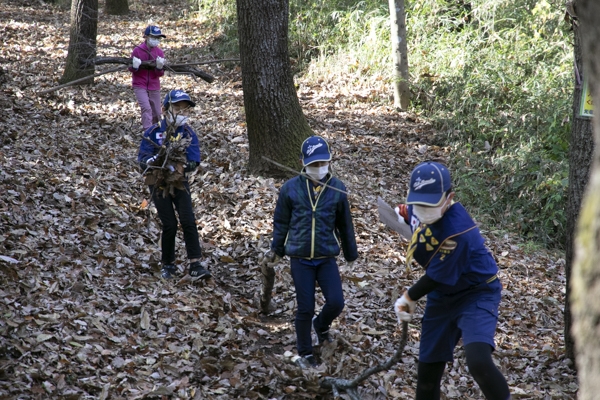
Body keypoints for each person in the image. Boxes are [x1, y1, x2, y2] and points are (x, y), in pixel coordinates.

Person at [393, 161, 511, 400]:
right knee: (427, 375)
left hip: (476, 293)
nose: (424, 209)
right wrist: (403, 213)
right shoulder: (419, 208)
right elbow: (412, 215)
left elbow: (437, 275)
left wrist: (408, 297)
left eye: (431, 203)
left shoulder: (459, 231)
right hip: (442, 297)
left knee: (478, 361)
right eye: (419, 203)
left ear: (449, 198)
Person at [263, 136, 358, 369]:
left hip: (326, 257)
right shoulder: (290, 189)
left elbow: (345, 224)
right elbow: (281, 223)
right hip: (301, 259)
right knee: (305, 307)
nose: (319, 168)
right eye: (314, 164)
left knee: (336, 302)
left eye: (323, 163)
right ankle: (305, 353)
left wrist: (350, 254)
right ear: (302, 162)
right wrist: (276, 250)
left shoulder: (337, 189)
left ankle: (322, 325)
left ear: (329, 162)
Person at [137, 89, 211, 281]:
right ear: (165, 109)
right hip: (158, 183)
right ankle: (168, 265)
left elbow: (195, 160)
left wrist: (180, 165)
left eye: (185, 109)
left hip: (179, 182)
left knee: (188, 219)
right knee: (169, 223)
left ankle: (195, 263)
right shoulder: (153, 132)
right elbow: (142, 161)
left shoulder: (187, 133)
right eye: (177, 108)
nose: (181, 112)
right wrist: (155, 160)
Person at [129, 25, 167, 130]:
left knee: (157, 112)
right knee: (146, 108)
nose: (155, 40)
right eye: (153, 37)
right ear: (146, 37)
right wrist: (135, 67)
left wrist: (159, 67)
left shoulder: (159, 52)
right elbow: (131, 69)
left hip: (154, 86)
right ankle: (148, 131)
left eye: (157, 38)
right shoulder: (137, 50)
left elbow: (160, 74)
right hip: (139, 84)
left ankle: (158, 131)